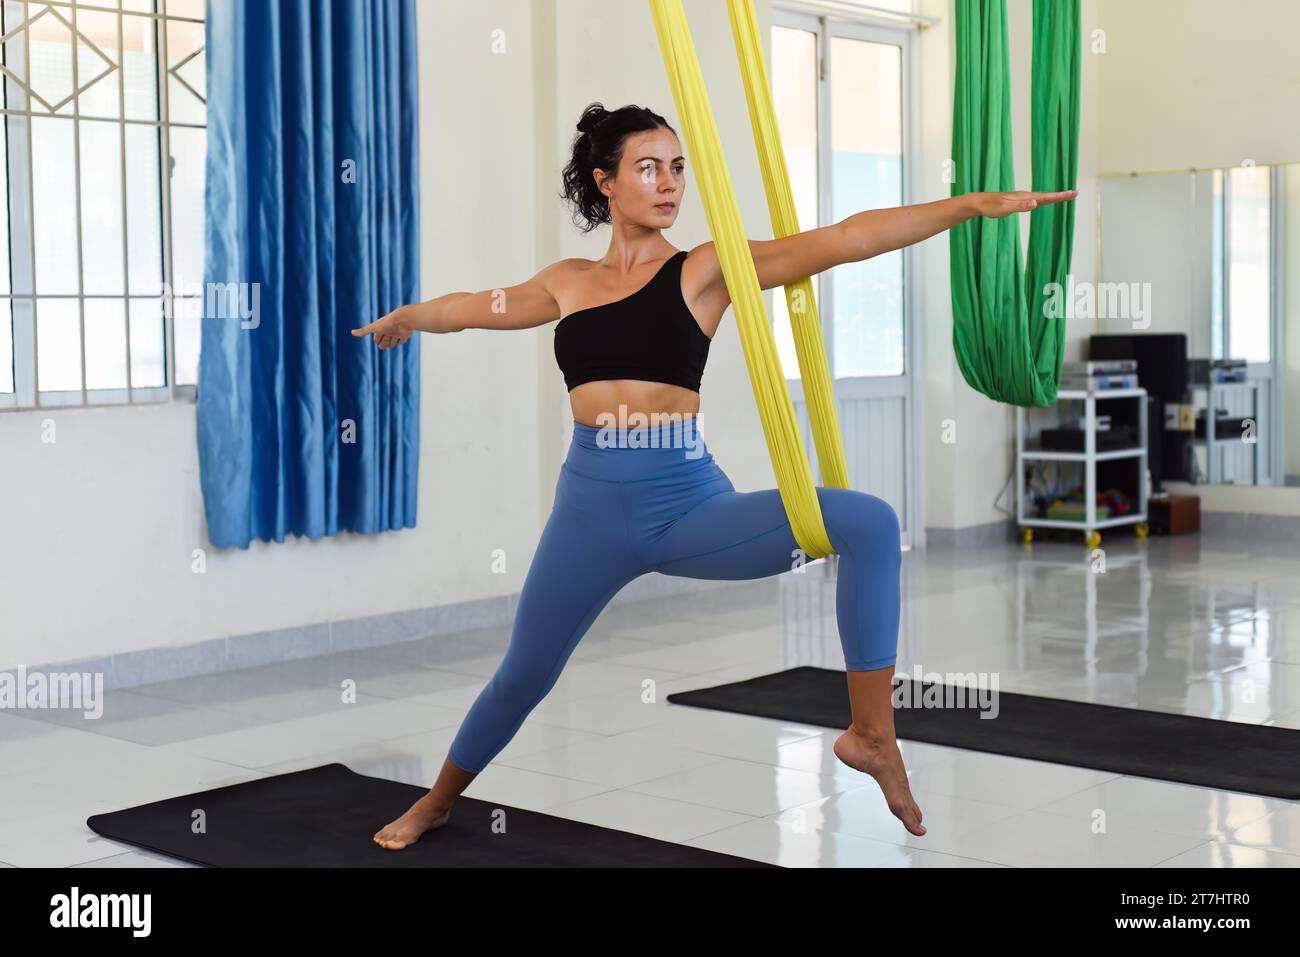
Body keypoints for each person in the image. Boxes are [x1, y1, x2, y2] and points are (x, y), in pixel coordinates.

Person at [353, 101, 1076, 850]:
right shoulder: (566, 281)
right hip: (588, 514)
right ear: (604, 181)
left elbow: (844, 240)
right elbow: (477, 306)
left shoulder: (704, 267)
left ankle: (870, 733)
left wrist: (966, 207)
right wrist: (411, 313)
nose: (669, 183)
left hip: (685, 507)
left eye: (677, 167)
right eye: (647, 167)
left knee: (869, 523)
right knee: (522, 676)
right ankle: (437, 799)